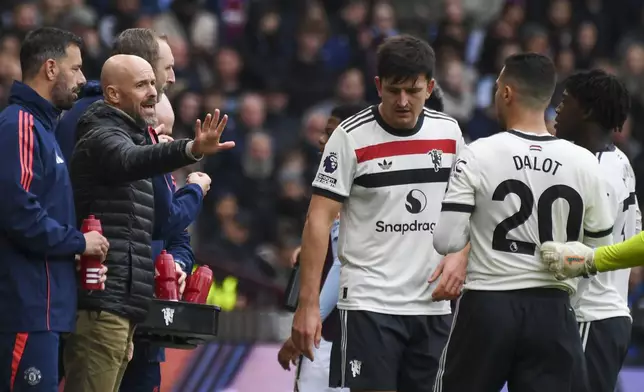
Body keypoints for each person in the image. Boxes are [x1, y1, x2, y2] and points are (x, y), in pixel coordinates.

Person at [291, 34, 467, 392]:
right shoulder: (349, 137)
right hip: (368, 305)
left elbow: (466, 205)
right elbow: (319, 220)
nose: (403, 101)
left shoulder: (449, 133)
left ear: (430, 87)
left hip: (431, 307)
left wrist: (460, 256)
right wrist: (308, 305)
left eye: (414, 91)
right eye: (393, 90)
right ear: (378, 85)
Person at [432, 53, 615, 391]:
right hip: (553, 311)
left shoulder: (478, 153)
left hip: (488, 305)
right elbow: (599, 255)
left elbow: (446, 240)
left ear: (506, 93)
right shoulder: (586, 163)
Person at [62, 54, 233, 392]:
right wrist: (190, 149)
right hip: (102, 305)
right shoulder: (101, 134)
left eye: (153, 83)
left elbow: (162, 230)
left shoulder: (131, 138)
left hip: (122, 307)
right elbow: (131, 161)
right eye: (141, 85)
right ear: (113, 95)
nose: (153, 92)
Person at [0, 27, 109, 392]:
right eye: (76, 69)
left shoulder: (44, 129)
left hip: (46, 312)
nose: (82, 79)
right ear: (50, 69)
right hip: (26, 309)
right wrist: (79, 243)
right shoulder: (20, 126)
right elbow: (21, 215)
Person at [553, 68, 636, 392]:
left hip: (591, 317)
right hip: (608, 314)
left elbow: (571, 256)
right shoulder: (619, 160)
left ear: (586, 111)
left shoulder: (593, 175)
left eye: (565, 101)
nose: (557, 109)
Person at [278, 104, 365, 392]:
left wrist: (308, 320)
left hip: (331, 338)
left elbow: (343, 265)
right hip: (352, 336)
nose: (320, 140)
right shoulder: (340, 185)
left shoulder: (350, 192)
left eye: (329, 133)